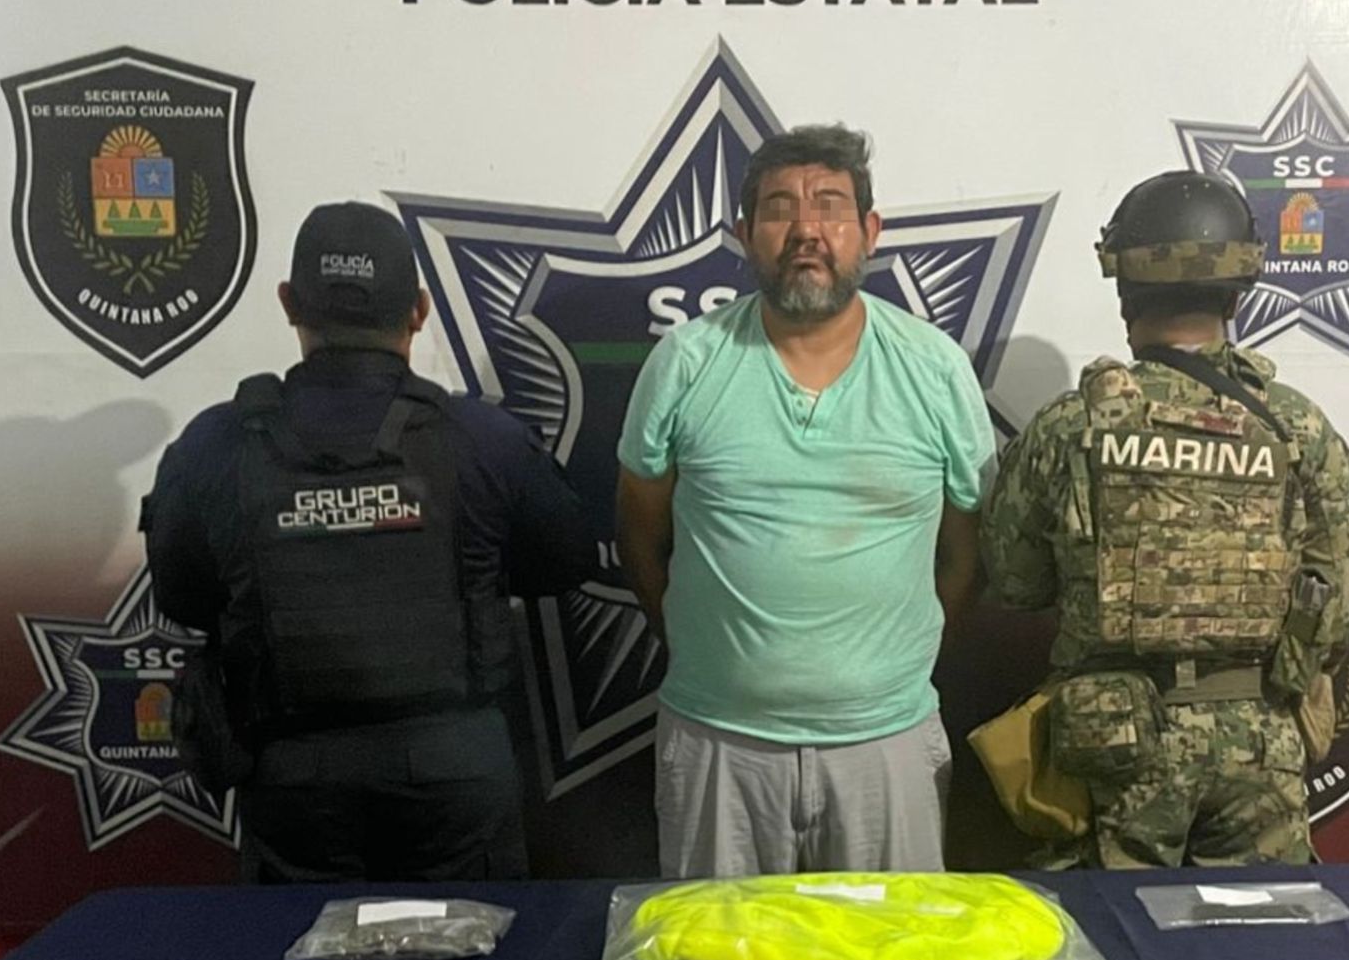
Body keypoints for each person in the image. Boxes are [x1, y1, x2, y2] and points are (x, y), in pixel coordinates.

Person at [143, 201, 597, 882]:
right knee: (471, 947)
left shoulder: (216, 443)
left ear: (289, 303)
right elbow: (565, 562)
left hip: (292, 774)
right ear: (419, 310)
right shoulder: (483, 438)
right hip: (453, 768)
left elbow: (182, 597)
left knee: (302, 950)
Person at [616, 125, 995, 877]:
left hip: (886, 745)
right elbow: (640, 537)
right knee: (719, 952)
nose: (806, 230)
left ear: (870, 232)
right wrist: (718, 657)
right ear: (744, 234)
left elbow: (966, 555)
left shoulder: (934, 370)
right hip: (718, 742)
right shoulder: (686, 362)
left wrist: (883, 670)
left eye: (829, 205)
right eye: (780, 208)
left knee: (886, 952)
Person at [981, 171, 1349, 867]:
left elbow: (1016, 582)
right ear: (1237, 290)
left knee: (1112, 929)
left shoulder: (1072, 426)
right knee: (1257, 928)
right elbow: (1332, 606)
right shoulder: (1296, 426)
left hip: (1112, 742)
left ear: (1125, 289)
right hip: (1260, 745)